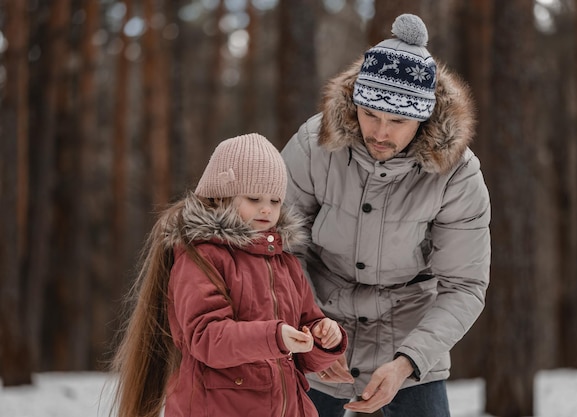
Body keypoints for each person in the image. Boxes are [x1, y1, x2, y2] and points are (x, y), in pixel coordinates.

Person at [281, 13, 491, 417]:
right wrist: (313, 324)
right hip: (316, 323)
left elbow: (464, 285)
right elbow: (280, 248)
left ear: (424, 117)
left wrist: (408, 363)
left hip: (410, 332)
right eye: (371, 114)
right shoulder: (314, 144)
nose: (380, 132)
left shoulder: (458, 174)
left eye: (397, 120)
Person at [110, 133, 348, 417]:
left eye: (274, 200)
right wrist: (275, 337)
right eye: (253, 197)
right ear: (220, 197)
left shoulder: (285, 263)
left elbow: (304, 343)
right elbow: (206, 336)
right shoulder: (202, 257)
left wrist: (324, 337)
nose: (266, 208)